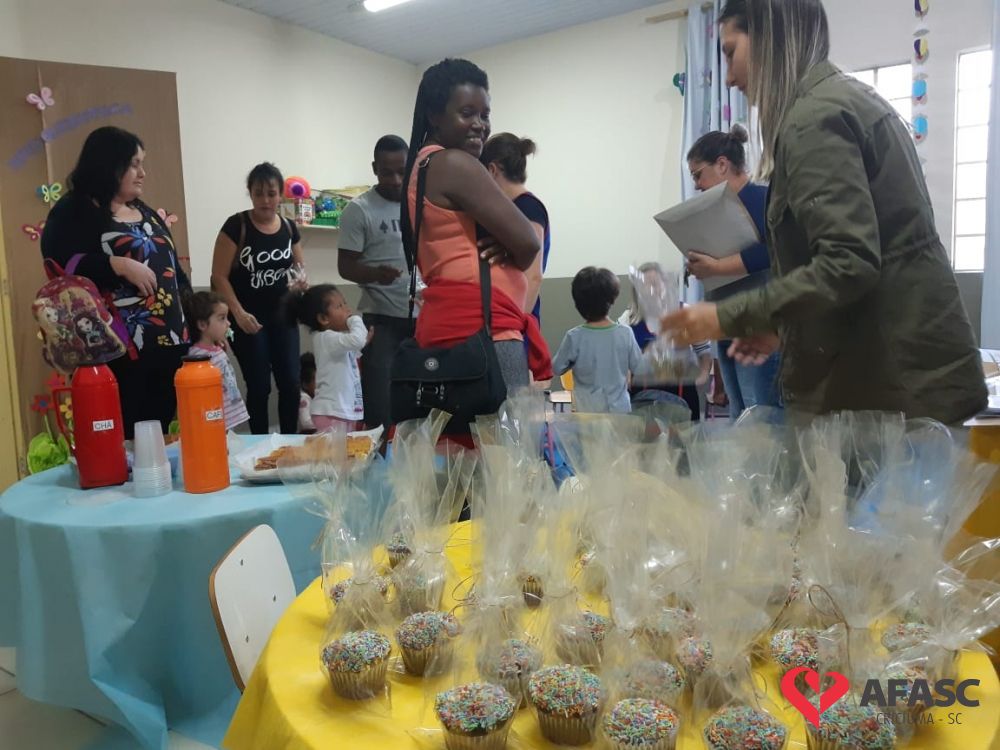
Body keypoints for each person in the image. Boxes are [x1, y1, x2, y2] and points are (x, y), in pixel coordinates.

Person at [662, 0, 986, 425]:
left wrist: (723, 316)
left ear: (770, 37)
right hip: (904, 375)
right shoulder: (844, 100)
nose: (729, 77)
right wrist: (783, 330)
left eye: (731, 51)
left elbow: (848, 263)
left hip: (893, 387)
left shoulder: (813, 120)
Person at [401, 58, 551, 406]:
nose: (480, 125)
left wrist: (506, 243)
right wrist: (510, 245)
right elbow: (529, 245)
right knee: (504, 438)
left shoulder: (424, 165)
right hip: (483, 329)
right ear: (434, 115)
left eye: (485, 114)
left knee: (461, 439)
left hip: (453, 322)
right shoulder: (455, 163)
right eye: (467, 113)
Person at [41, 126, 191, 438]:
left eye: (142, 164)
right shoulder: (75, 210)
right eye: (134, 164)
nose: (142, 173)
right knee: (126, 434)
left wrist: (197, 317)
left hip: (168, 341)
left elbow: (173, 270)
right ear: (110, 165)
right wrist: (116, 264)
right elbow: (62, 266)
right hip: (119, 347)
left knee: (159, 432)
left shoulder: (143, 210)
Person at [685, 126, 781, 419]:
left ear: (722, 164)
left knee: (762, 417)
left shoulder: (762, 199)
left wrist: (716, 267)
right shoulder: (715, 212)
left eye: (698, 175)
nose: (697, 185)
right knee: (740, 417)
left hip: (758, 329)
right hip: (726, 325)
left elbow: (772, 251)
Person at [211, 163, 307, 434]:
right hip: (248, 319)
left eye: (271, 193)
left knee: (291, 383)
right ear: (250, 193)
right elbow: (219, 276)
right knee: (259, 385)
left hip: (284, 317)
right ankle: (260, 444)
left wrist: (301, 283)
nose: (265, 200)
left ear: (281, 195)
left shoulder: (289, 227)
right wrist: (238, 313)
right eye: (259, 193)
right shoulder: (237, 225)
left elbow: (299, 270)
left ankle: (289, 442)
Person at [337, 135, 411, 431]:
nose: (395, 180)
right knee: (380, 410)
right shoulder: (359, 210)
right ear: (374, 169)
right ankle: (380, 458)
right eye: (386, 172)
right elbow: (345, 266)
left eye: (402, 171)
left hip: (425, 320)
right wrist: (375, 274)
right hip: (381, 322)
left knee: (423, 407)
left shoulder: (422, 203)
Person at [623, 263, 712, 420]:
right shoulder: (628, 318)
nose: (651, 289)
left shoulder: (685, 312)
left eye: (656, 284)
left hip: (682, 390)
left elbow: (704, 350)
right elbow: (623, 355)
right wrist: (626, 375)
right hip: (643, 394)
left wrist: (703, 376)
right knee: (646, 436)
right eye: (645, 285)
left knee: (685, 434)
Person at [480, 133, 550, 321]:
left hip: (516, 317)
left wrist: (518, 323)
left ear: (491, 170)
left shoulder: (528, 207)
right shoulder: (509, 208)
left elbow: (533, 276)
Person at [553, 267, 641, 414]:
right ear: (613, 299)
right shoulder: (625, 333)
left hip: (588, 415)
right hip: (620, 414)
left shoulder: (574, 337)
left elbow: (556, 368)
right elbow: (639, 368)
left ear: (577, 304)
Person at [287, 284, 371, 433]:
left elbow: (354, 350)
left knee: (343, 447)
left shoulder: (333, 340)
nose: (347, 309)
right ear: (323, 318)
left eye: (345, 303)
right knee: (333, 448)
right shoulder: (326, 338)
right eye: (339, 306)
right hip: (331, 412)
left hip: (340, 411)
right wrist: (354, 319)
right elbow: (357, 340)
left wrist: (363, 342)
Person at [182, 291, 249, 432]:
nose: (228, 323)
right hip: (214, 419)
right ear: (202, 324)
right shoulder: (197, 357)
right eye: (222, 318)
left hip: (228, 416)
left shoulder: (217, 348)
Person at [299, 352, 317, 434]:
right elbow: (306, 422)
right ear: (305, 385)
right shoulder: (304, 398)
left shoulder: (314, 397)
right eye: (316, 380)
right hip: (306, 434)